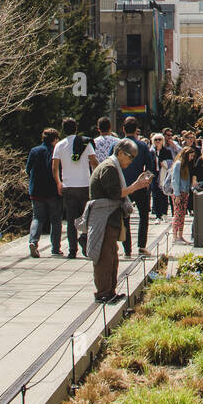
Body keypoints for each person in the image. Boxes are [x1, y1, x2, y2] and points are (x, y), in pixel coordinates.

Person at [80, 139, 153, 303]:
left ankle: (110, 291)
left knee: (112, 257)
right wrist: (136, 186)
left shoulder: (113, 167)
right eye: (130, 156)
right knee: (104, 257)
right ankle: (103, 293)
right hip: (103, 218)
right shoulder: (109, 167)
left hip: (110, 217)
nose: (131, 160)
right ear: (119, 152)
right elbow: (114, 193)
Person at [52, 118, 97, 259]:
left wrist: (59, 183)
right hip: (85, 185)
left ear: (63, 130)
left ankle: (72, 250)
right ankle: (84, 237)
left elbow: (54, 167)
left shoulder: (59, 145)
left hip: (68, 186)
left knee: (71, 219)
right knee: (87, 216)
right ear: (76, 128)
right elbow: (94, 162)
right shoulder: (85, 143)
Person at [119, 117, 156, 257]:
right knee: (143, 215)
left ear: (123, 129)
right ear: (136, 130)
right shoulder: (142, 146)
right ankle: (141, 246)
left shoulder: (118, 146)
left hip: (123, 186)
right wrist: (147, 182)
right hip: (140, 185)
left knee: (125, 218)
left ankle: (127, 249)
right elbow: (150, 167)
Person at [25, 127, 62, 257]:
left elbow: (27, 169)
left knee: (37, 218)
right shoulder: (56, 151)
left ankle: (33, 242)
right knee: (55, 220)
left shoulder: (34, 151)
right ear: (55, 139)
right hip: (53, 190)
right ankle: (55, 248)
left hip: (36, 190)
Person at [170, 146, 194, 243]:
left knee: (182, 215)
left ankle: (180, 235)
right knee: (177, 215)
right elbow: (175, 180)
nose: (192, 158)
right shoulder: (178, 164)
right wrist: (177, 194)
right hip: (179, 192)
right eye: (191, 156)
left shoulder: (186, 166)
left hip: (185, 192)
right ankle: (175, 236)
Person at [150, 132, 172, 219]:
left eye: (159, 139)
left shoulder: (167, 151)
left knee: (164, 193)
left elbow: (171, 162)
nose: (158, 141)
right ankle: (158, 215)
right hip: (154, 174)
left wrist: (165, 163)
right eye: (156, 139)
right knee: (155, 194)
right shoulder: (151, 152)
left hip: (164, 174)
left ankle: (164, 213)